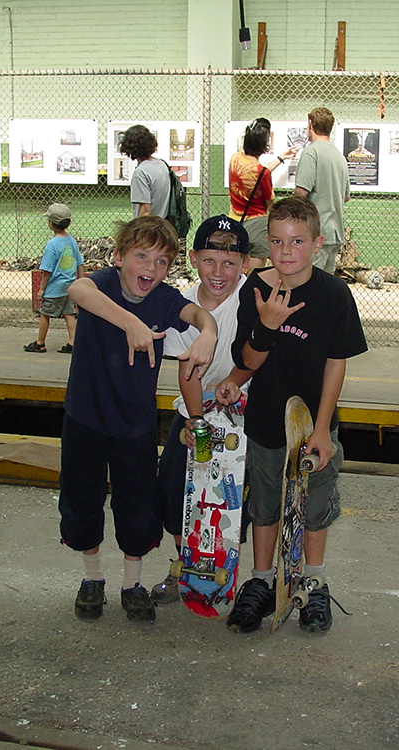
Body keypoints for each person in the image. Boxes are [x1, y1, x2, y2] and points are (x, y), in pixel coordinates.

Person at [217, 195, 367, 634]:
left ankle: (313, 582)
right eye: (277, 241)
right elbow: (248, 357)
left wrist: (323, 431)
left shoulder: (334, 295)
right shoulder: (254, 288)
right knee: (265, 505)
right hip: (266, 420)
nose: (285, 251)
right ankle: (262, 581)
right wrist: (266, 323)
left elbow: (336, 363)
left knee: (314, 505)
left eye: (297, 241)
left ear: (318, 244)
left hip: (315, 425)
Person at [59, 215, 217, 624]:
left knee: (136, 506)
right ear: (118, 257)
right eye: (141, 256)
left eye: (162, 261)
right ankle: (92, 577)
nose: (150, 268)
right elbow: (76, 289)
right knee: (82, 500)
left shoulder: (164, 299)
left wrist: (208, 333)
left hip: (135, 425)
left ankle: (132, 583)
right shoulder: (103, 285)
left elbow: (201, 316)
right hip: (86, 418)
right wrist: (130, 321)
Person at [149, 215, 252, 604]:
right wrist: (196, 424)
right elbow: (188, 371)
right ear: (193, 258)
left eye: (229, 263)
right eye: (209, 260)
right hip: (197, 410)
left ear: (245, 263)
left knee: (240, 497)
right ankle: (187, 567)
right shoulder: (183, 304)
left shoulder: (252, 296)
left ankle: (239, 575)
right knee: (178, 485)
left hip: (243, 412)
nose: (218, 271)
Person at [228, 118, 296, 269]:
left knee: (236, 270)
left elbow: (255, 173)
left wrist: (281, 157)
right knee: (255, 275)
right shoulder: (262, 173)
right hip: (257, 226)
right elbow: (269, 201)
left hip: (235, 222)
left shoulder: (235, 159)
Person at [293, 108, 350, 275]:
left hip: (316, 232)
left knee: (310, 283)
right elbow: (345, 196)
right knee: (326, 285)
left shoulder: (312, 152)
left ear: (310, 124)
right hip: (335, 231)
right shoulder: (339, 156)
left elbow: (301, 192)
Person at [23, 203, 85, 354]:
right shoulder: (71, 241)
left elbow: (46, 270)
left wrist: (42, 289)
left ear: (50, 223)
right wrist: (81, 282)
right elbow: (80, 263)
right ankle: (72, 342)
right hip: (69, 286)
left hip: (54, 288)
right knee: (69, 314)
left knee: (45, 314)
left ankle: (40, 342)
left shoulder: (52, 245)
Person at [119, 124, 169, 219]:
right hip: (163, 226)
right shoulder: (162, 165)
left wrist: (133, 232)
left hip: (147, 229)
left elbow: (145, 211)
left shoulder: (141, 173)